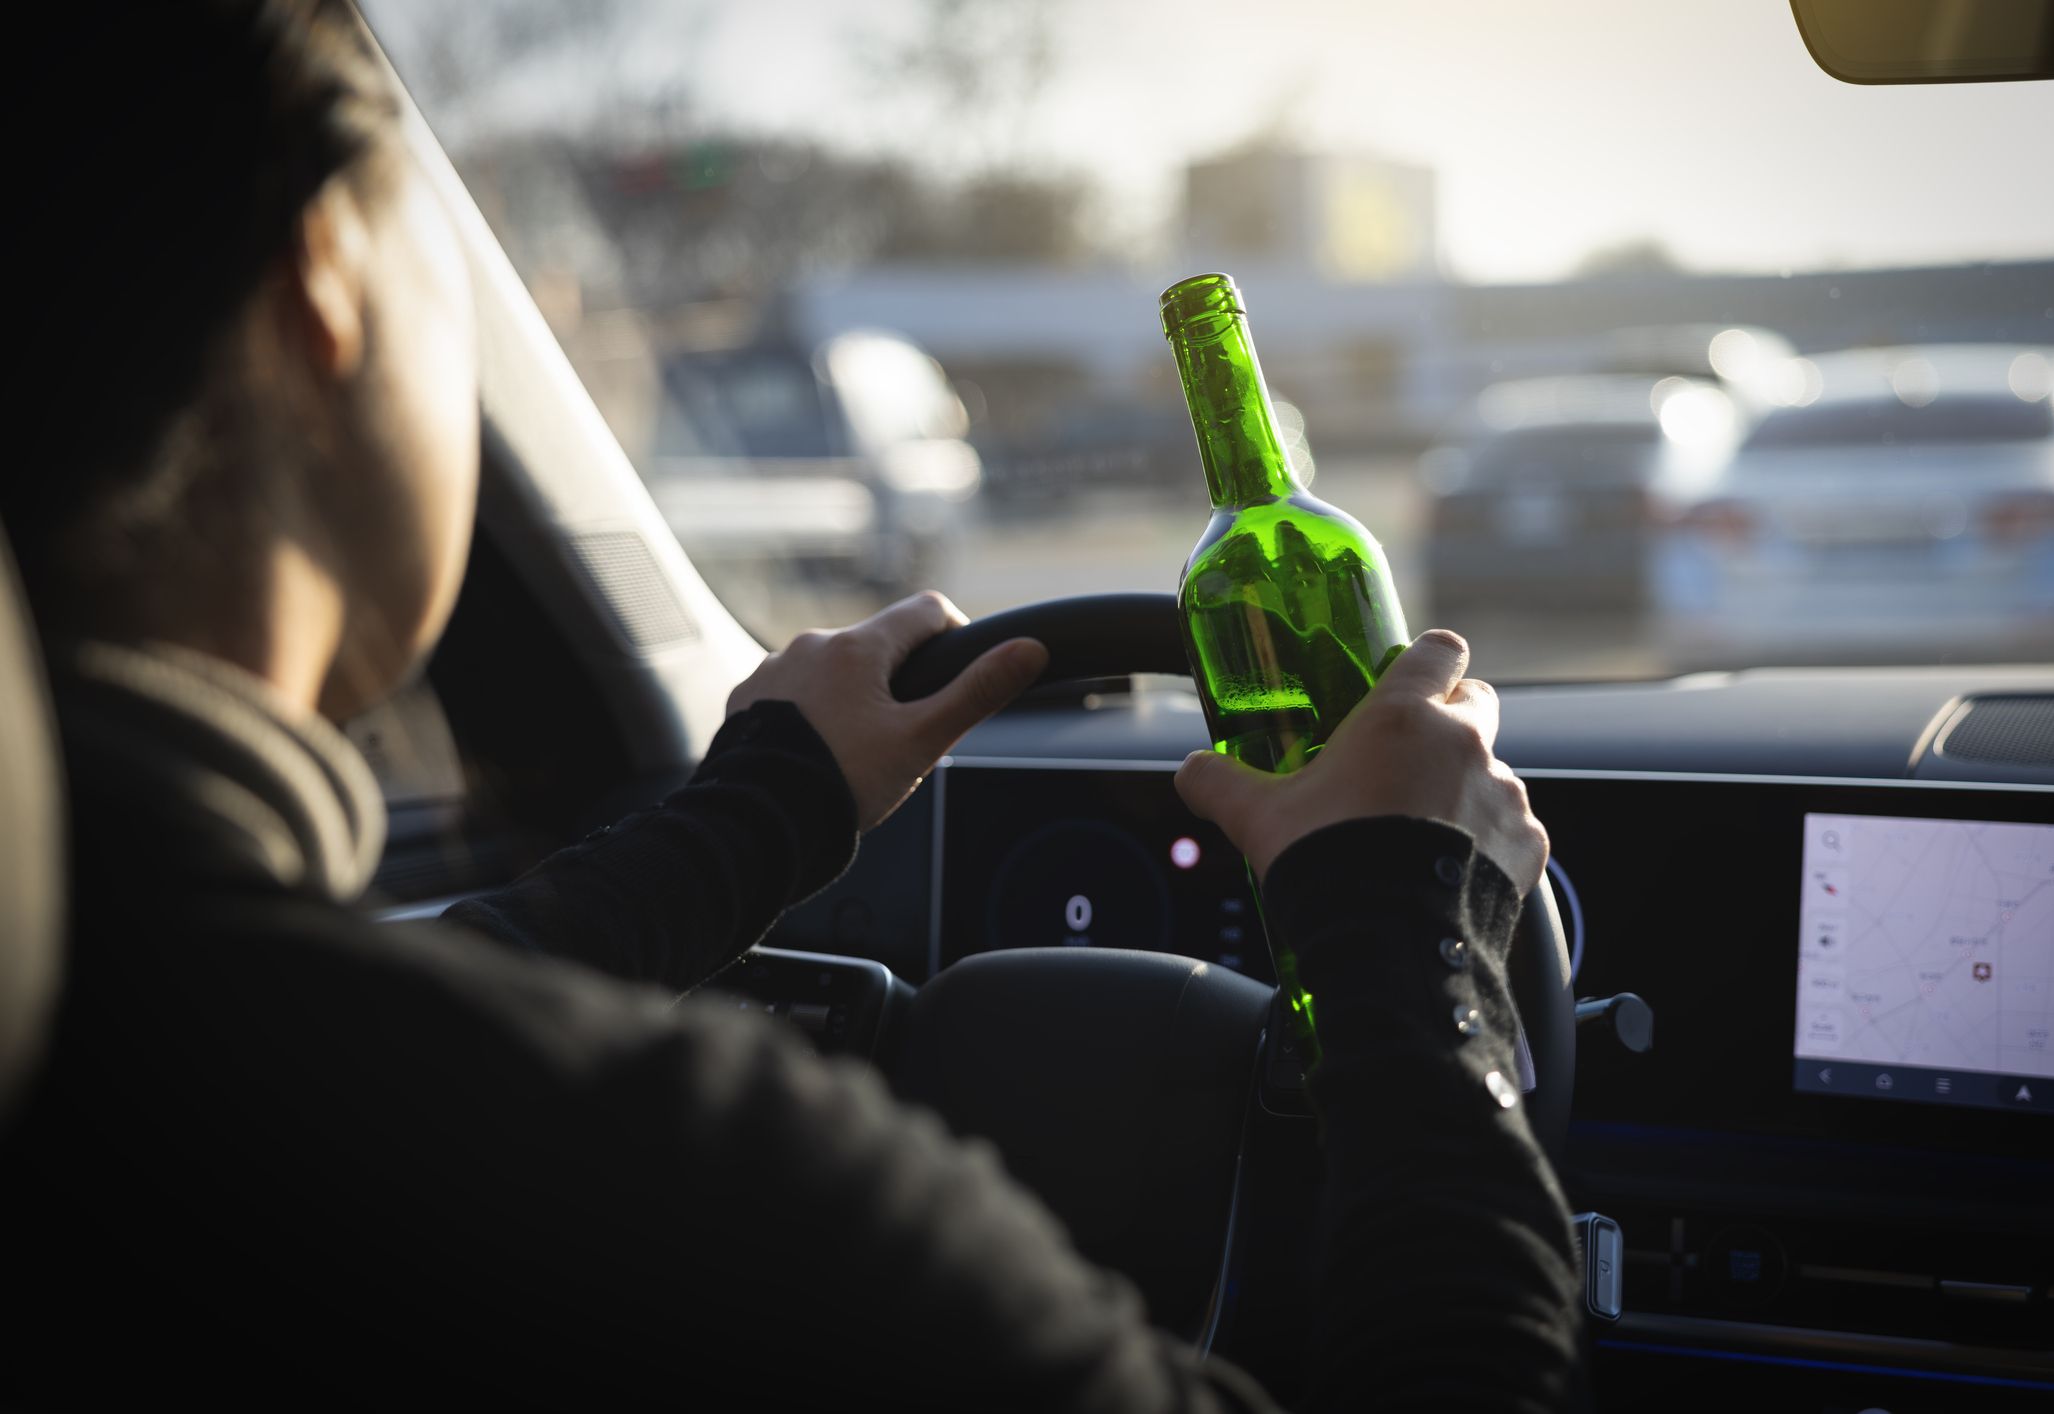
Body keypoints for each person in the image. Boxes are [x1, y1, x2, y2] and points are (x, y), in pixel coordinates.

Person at [0, 2, 1578, 1408]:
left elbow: (361, 1026)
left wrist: (762, 811)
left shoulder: (122, 1035)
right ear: (323, 283)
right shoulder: (699, 1192)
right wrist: (1419, 964)